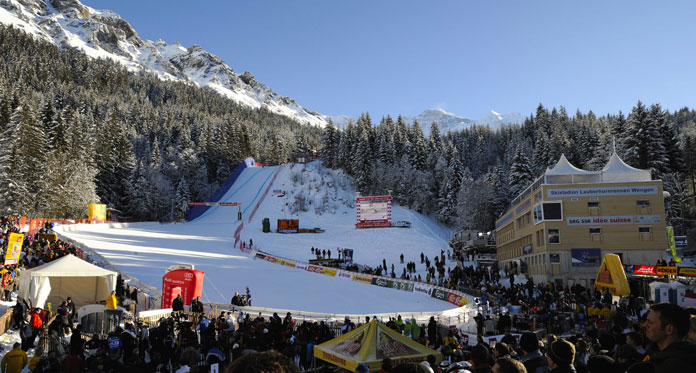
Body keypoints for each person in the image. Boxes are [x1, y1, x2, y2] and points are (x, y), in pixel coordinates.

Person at [643, 303, 696, 373]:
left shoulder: (675, 366)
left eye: (650, 322)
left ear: (669, 329)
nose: (644, 325)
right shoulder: (658, 355)